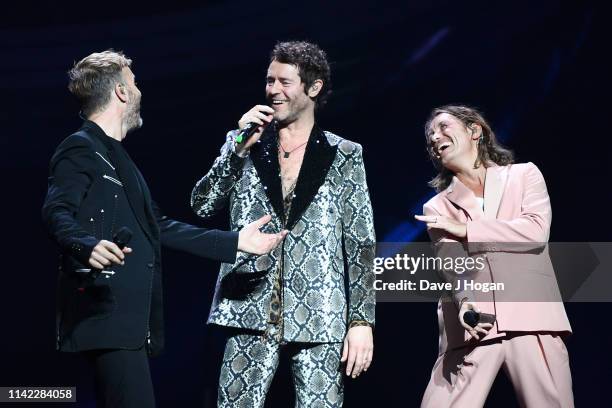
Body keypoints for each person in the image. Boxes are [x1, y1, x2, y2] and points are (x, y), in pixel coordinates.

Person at [42, 50, 286, 408]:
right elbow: (56, 210)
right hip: (106, 314)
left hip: (127, 322)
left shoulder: (117, 155)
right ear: (122, 92)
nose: (139, 91)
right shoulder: (80, 147)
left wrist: (236, 243)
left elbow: (160, 226)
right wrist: (86, 244)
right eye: (134, 83)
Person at [191, 41, 376, 407]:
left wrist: (361, 322)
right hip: (248, 307)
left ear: (314, 87)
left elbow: (360, 243)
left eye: (284, 82)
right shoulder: (245, 143)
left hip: (321, 313)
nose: (273, 90)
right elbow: (202, 205)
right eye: (269, 80)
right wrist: (237, 148)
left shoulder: (344, 154)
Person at [415, 105, 573, 407]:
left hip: (532, 317)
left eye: (444, 127)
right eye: (430, 136)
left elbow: (535, 232)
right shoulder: (436, 207)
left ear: (475, 131)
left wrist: (467, 229)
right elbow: (451, 263)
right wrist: (464, 302)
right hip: (473, 324)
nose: (435, 138)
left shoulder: (524, 174)